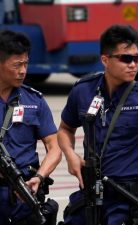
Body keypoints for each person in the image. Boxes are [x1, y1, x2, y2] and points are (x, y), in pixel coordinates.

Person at [58, 25, 138, 225]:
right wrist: (70, 155)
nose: (133, 64)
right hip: (89, 193)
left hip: (125, 196)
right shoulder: (83, 91)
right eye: (126, 59)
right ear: (105, 60)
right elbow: (65, 128)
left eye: (137, 58)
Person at [0, 30, 62, 224]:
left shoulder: (34, 100)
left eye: (26, 64)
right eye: (17, 65)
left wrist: (40, 176)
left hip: (25, 189)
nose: (23, 71)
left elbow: (54, 147)